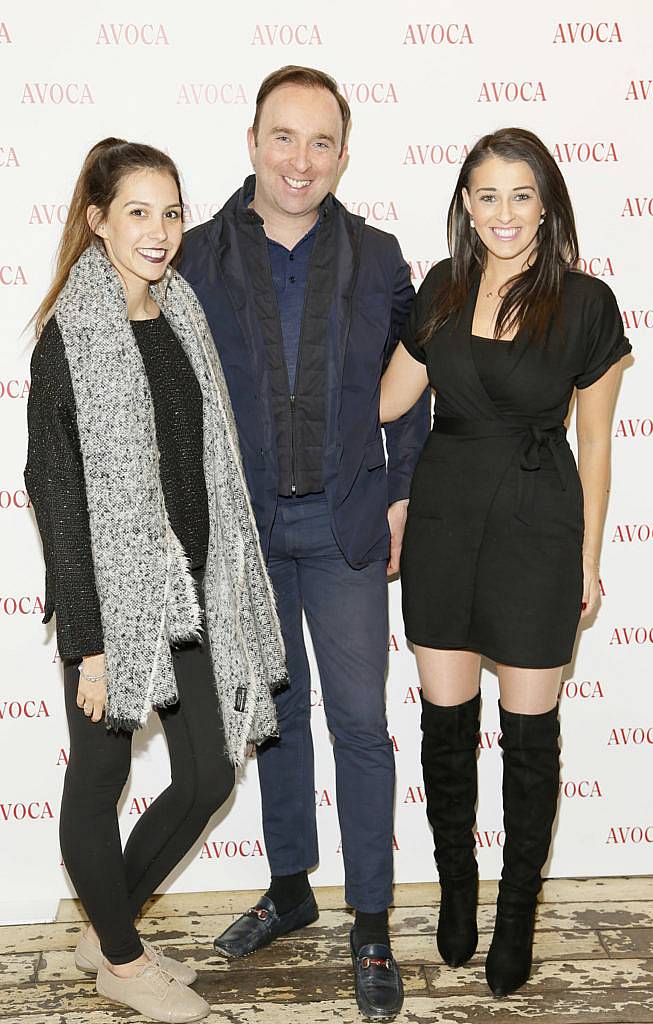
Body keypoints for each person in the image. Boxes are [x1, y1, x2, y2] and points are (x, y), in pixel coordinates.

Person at [178, 65, 429, 1019]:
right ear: (251, 143)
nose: (301, 159)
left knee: (360, 725)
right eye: (284, 137)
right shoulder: (196, 254)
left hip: (346, 523)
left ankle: (370, 920)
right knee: (273, 716)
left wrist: (401, 492)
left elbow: (415, 385)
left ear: (343, 154)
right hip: (243, 531)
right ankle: (290, 889)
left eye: (321, 142)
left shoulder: (378, 255)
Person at [25, 138, 287, 1024]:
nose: (160, 230)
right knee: (96, 785)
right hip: (113, 603)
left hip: (196, 590)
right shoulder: (67, 340)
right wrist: (91, 646)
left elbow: (205, 463)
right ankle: (124, 965)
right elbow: (55, 498)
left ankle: (109, 926)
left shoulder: (184, 314)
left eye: (171, 212)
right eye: (138, 211)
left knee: (211, 773)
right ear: (96, 221)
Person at [380, 127, 631, 998]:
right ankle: (457, 889)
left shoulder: (587, 303)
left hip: (536, 524)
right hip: (446, 517)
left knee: (530, 740)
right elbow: (390, 397)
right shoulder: (443, 290)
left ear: (549, 203)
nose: (504, 213)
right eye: (485, 196)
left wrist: (589, 561)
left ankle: (517, 910)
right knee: (445, 732)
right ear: (465, 205)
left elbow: (594, 445)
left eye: (521, 195)